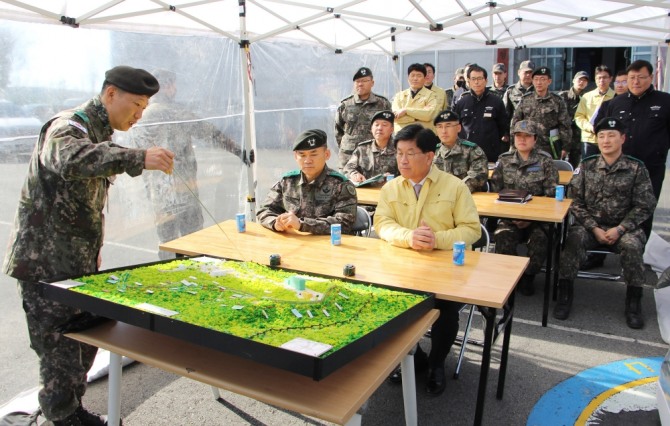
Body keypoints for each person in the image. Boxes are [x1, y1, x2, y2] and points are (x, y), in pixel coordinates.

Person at [2, 66, 175, 425]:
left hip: (75, 262)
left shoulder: (100, 133)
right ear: (111, 94)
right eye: (136, 105)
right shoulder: (68, 125)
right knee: (58, 352)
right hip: (44, 266)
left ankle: (72, 410)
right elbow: (68, 160)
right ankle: (62, 417)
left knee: (81, 346)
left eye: (144, 108)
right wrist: (138, 157)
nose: (139, 115)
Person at [375, 124, 480, 396]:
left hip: (444, 270)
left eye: (411, 153)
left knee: (445, 312)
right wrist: (409, 236)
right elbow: (382, 223)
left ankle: (436, 363)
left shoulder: (455, 187)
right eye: (399, 153)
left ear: (430, 156)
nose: (403, 160)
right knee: (382, 302)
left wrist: (438, 240)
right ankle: (416, 356)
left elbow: (472, 230)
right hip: (402, 268)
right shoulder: (391, 188)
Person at [131, 69, 246, 259]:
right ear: (167, 87)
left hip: (159, 194)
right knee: (193, 241)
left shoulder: (142, 116)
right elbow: (210, 133)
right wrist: (239, 151)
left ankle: (169, 279)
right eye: (173, 84)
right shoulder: (175, 112)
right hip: (183, 189)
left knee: (167, 242)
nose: (175, 89)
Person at [554, 118, 656, 329]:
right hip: (590, 226)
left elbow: (645, 205)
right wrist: (594, 228)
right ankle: (564, 293)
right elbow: (575, 201)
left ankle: (634, 302)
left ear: (623, 138)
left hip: (624, 228)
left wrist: (620, 229)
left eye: (611, 135)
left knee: (633, 246)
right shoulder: (587, 165)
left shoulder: (636, 168)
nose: (606, 140)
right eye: (601, 136)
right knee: (572, 240)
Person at [490, 120, 559, 296]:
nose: (522, 139)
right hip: (509, 217)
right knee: (502, 236)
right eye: (518, 136)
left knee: (541, 239)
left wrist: (529, 218)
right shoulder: (504, 160)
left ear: (535, 139)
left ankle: (529, 276)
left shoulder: (545, 161)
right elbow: (495, 194)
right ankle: (513, 275)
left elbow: (552, 195)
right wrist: (512, 216)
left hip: (538, 220)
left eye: (527, 136)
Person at [604, 59, 670, 238]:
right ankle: (600, 253)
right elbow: (607, 132)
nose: (636, 82)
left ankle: (637, 255)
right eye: (632, 77)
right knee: (612, 208)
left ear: (651, 77)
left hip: (650, 167)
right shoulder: (617, 103)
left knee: (644, 210)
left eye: (641, 77)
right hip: (619, 168)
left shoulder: (665, 101)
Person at [256, 129, 357, 234]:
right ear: (296, 156)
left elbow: (345, 223)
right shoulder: (287, 182)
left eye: (313, 154)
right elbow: (264, 210)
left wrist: (302, 224)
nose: (307, 160)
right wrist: (275, 223)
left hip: (327, 245)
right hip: (293, 242)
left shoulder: (341, 185)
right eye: (302, 155)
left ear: (327, 154)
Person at [335, 67, 392, 170]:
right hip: (348, 155)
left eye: (364, 81)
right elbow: (338, 130)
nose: (360, 84)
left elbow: (389, 128)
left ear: (372, 83)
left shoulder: (382, 104)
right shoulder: (346, 105)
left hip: (372, 156)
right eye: (357, 81)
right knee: (345, 184)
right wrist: (346, 146)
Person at [511, 66, 572, 159]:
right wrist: (513, 144)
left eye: (543, 79)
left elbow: (564, 125)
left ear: (549, 81)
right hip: (527, 146)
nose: (539, 82)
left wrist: (565, 147)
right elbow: (515, 122)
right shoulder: (525, 99)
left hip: (549, 147)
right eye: (536, 79)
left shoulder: (557, 101)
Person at [453, 64, 509, 162]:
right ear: (468, 81)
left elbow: (502, 126)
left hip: (489, 152)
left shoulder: (496, 101)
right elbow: (456, 126)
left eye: (480, 78)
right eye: (473, 79)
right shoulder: (462, 102)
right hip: (466, 153)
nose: (477, 82)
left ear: (486, 81)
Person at [432, 110, 488, 193]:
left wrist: (453, 191)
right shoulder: (432, 152)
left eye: (448, 126)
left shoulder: (472, 150)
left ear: (458, 128)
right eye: (440, 127)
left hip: (466, 198)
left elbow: (478, 176)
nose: (444, 131)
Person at [343, 110, 398, 184]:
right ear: (371, 129)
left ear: (392, 129)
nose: (379, 128)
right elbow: (348, 168)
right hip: (367, 192)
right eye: (376, 125)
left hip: (392, 192)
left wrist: (393, 178)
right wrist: (354, 174)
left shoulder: (399, 149)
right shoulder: (362, 149)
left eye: (384, 125)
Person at [574, 65, 615, 159]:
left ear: (610, 79)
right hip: (589, 139)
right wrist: (590, 127)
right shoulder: (586, 97)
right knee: (588, 169)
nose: (602, 80)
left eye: (605, 77)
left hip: (608, 140)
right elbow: (579, 116)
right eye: (599, 78)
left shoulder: (615, 97)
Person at [391, 63, 439, 132]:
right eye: (412, 75)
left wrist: (406, 111)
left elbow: (428, 115)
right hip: (402, 135)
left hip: (422, 135)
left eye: (419, 76)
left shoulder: (431, 95)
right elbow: (395, 117)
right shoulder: (399, 96)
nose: (415, 78)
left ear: (425, 78)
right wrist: (418, 117)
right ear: (408, 78)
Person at [558, 70, 590, 169]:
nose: (582, 82)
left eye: (585, 80)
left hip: (578, 138)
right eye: (580, 79)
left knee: (576, 167)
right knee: (560, 166)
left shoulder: (587, 98)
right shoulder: (563, 96)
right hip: (563, 137)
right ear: (573, 80)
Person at [503, 60, 535, 125]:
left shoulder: (538, 90)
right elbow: (504, 114)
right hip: (516, 130)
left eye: (530, 72)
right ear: (519, 72)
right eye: (525, 72)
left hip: (534, 130)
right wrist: (505, 133)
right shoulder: (511, 91)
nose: (528, 75)